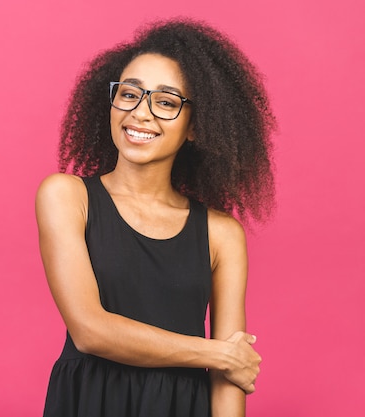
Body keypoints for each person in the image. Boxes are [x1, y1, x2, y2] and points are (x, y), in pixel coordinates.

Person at [35, 18, 275, 417]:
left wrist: (226, 361)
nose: (140, 113)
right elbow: (90, 331)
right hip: (90, 404)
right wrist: (218, 353)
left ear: (196, 126)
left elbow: (229, 380)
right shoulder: (66, 196)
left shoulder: (221, 234)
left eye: (165, 102)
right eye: (129, 94)